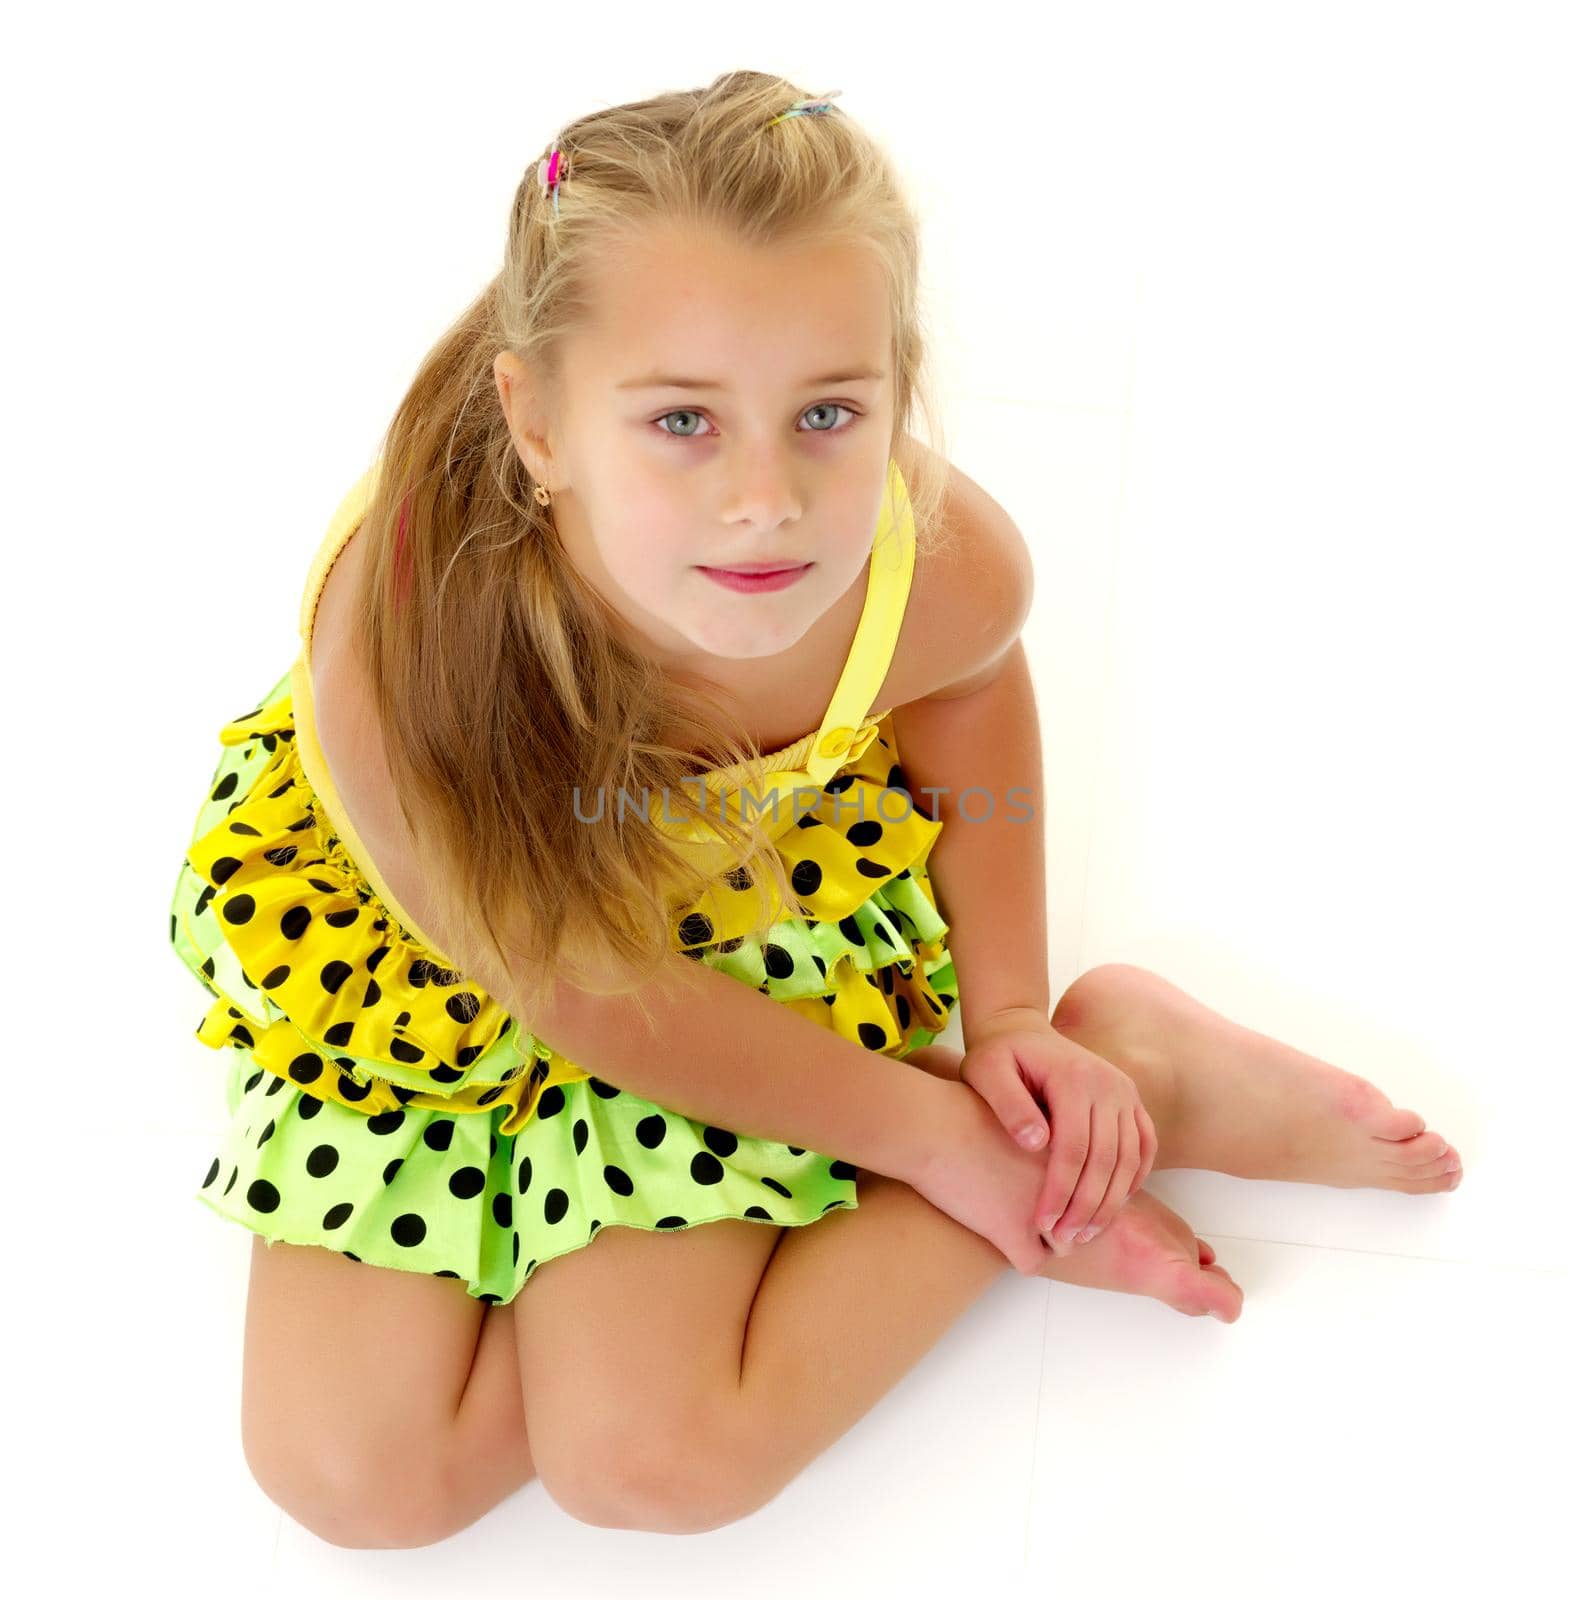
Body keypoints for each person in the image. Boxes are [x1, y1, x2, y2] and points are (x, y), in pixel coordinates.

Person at [168, 71, 1465, 1546]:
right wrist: (937, 1139)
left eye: (829, 412)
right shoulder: (405, 656)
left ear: (898, 395)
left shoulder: (942, 560)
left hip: (725, 913)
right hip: (471, 941)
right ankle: (933, 1152)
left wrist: (1016, 1024)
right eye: (680, 423)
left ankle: (1132, 1067)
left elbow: (971, 690)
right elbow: (579, 992)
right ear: (535, 424)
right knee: (363, 1481)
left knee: (648, 1458)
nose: (766, 499)